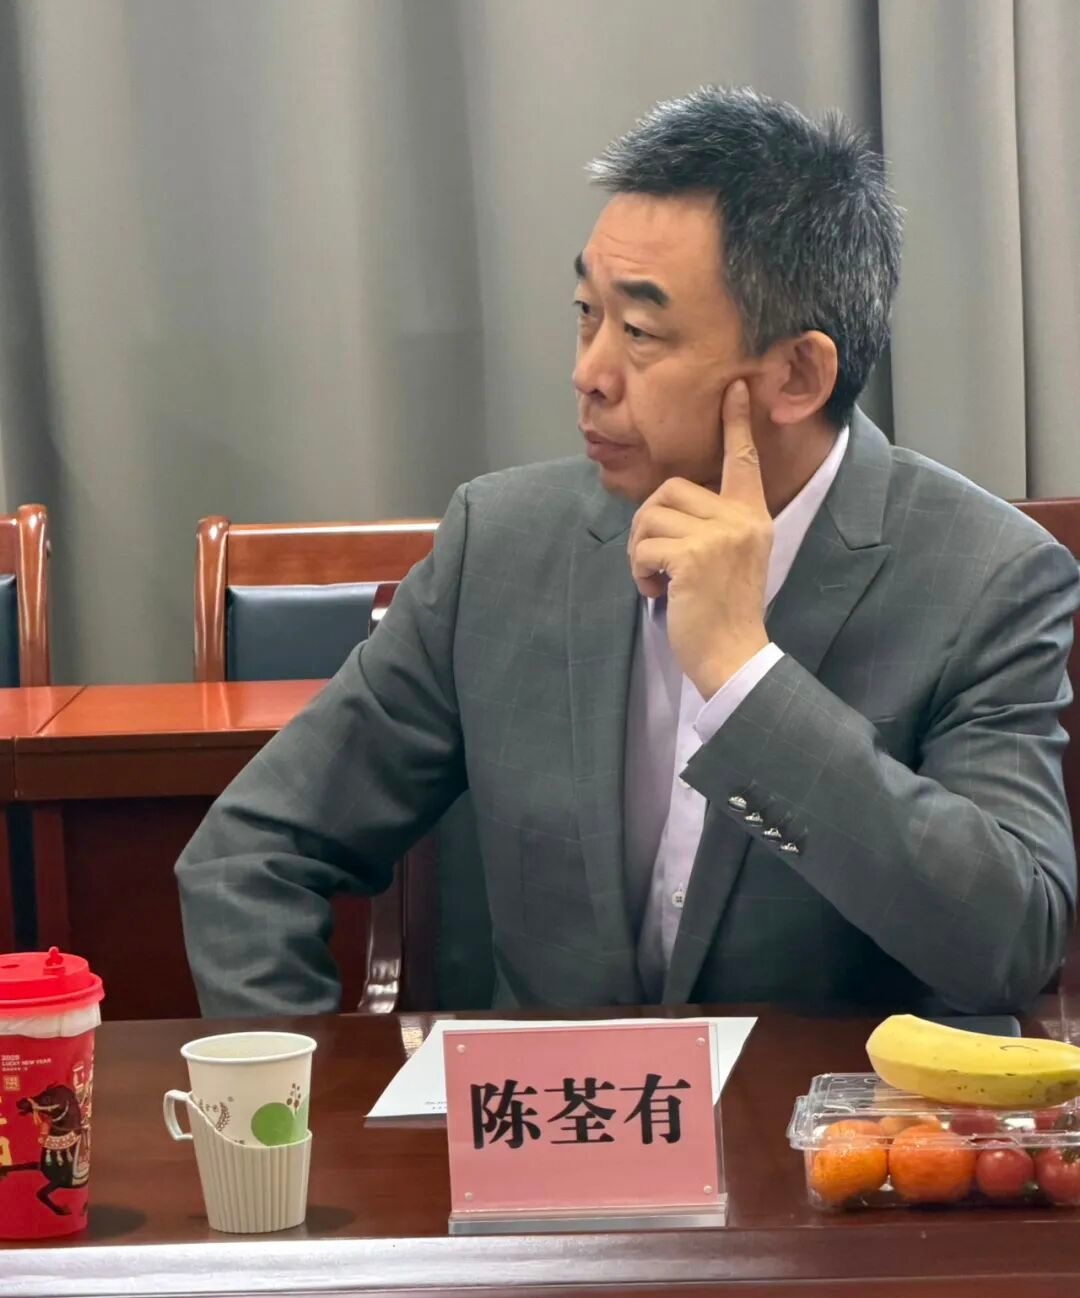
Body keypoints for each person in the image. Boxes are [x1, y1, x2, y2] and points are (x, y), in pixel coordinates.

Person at [177, 86, 1079, 1017]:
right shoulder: (501, 546)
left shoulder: (986, 577)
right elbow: (251, 854)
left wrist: (745, 677)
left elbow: (1008, 944)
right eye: (586, 313)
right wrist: (305, 1096)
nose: (588, 374)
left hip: (821, 1112)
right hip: (548, 1107)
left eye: (640, 333)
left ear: (798, 374)